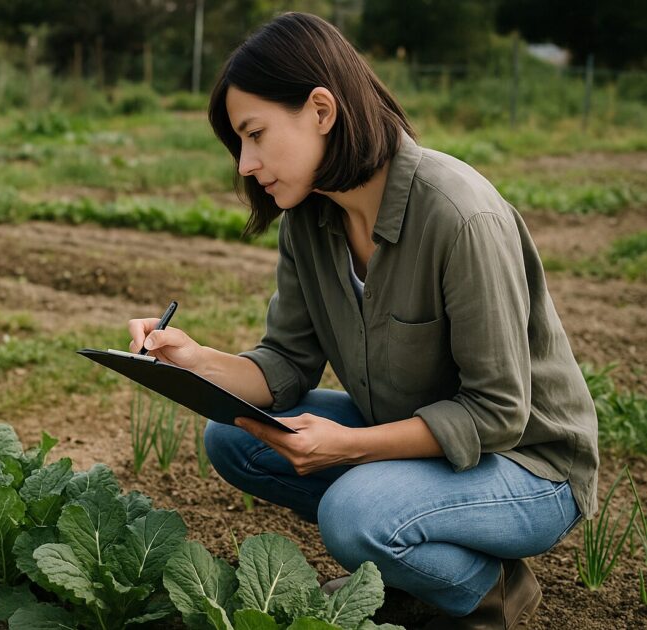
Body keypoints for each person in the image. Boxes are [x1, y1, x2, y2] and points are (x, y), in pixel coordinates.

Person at [127, 11, 599, 630]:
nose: (245, 163)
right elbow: (286, 367)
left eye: (256, 134)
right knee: (235, 436)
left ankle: (491, 589)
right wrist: (191, 358)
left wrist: (347, 448)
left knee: (353, 516)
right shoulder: (308, 221)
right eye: (239, 143)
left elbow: (497, 412)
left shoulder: (459, 215)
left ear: (322, 111)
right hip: (420, 442)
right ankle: (412, 557)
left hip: (529, 464)